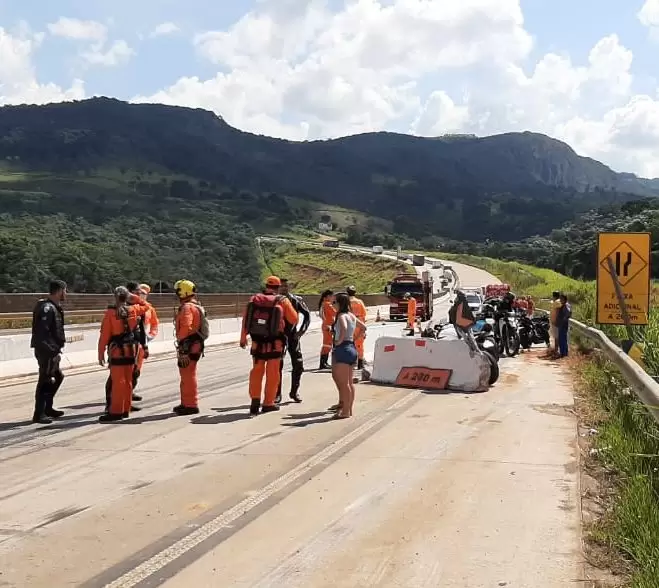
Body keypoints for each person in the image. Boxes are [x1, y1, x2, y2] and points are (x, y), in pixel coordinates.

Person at [241, 276, 298, 416]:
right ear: (277, 288)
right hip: (275, 343)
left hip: (257, 343)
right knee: (273, 374)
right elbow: (294, 319)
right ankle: (268, 403)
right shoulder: (282, 300)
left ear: (266, 286)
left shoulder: (254, 299)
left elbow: (245, 319)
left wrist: (243, 338)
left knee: (256, 371)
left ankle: (255, 400)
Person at [98, 287, 150, 422]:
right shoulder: (133, 310)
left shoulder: (110, 313)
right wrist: (134, 297)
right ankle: (125, 409)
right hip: (131, 350)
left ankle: (116, 411)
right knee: (128, 381)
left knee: (117, 382)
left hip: (117, 351)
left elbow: (104, 335)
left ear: (115, 297)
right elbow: (147, 306)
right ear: (127, 297)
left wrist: (100, 353)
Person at [30, 280, 67, 424]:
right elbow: (42, 334)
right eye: (65, 291)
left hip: (51, 349)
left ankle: (47, 408)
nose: (66, 294)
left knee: (57, 376)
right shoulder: (47, 308)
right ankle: (39, 413)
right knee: (45, 379)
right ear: (59, 291)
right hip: (46, 350)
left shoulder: (54, 307)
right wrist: (52, 350)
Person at [174, 279, 208, 415]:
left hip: (189, 346)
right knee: (186, 375)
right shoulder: (195, 306)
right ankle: (186, 402)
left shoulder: (187, 308)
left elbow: (186, 327)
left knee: (188, 375)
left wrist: (181, 342)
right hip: (194, 345)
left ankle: (191, 405)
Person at [330, 293, 365, 419]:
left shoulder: (342, 316)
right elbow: (363, 327)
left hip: (343, 348)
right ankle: (348, 409)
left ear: (340, 303)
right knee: (349, 383)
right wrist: (353, 338)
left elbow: (344, 327)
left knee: (344, 384)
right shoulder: (351, 315)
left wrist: (339, 340)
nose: (332, 305)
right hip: (351, 347)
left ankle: (345, 411)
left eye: (334, 303)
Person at [276, 278, 310, 404]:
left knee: (298, 364)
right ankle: (276, 393)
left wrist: (300, 332)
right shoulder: (274, 301)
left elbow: (307, 315)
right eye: (281, 286)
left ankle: (294, 391)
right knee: (277, 365)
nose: (284, 288)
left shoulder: (296, 300)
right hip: (278, 336)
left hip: (292, 335)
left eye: (286, 286)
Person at [346, 285, 367, 369]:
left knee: (349, 343)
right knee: (360, 344)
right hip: (359, 323)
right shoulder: (359, 302)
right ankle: (360, 363)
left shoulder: (346, 302)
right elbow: (364, 314)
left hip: (349, 323)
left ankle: (351, 362)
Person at [318, 289, 336, 369]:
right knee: (327, 345)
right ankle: (323, 363)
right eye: (332, 296)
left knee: (327, 344)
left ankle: (324, 362)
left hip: (327, 325)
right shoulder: (327, 304)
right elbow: (335, 312)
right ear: (328, 296)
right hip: (328, 326)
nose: (333, 298)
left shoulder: (323, 304)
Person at [556, 294, 571, 358]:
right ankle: (563, 353)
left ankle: (564, 353)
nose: (560, 300)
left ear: (565, 299)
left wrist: (564, 319)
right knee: (561, 339)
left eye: (561, 299)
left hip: (563, 325)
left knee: (563, 339)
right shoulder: (563, 305)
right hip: (561, 324)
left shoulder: (566, 305)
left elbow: (568, 313)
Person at [549, 290, 561, 355]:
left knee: (556, 336)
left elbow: (558, 311)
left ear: (554, 296)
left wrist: (556, 320)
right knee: (556, 336)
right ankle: (556, 349)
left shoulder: (557, 302)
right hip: (555, 321)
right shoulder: (556, 302)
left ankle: (557, 350)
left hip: (555, 321)